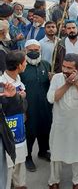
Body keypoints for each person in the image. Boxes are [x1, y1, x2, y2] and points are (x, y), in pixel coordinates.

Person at [47, 53, 78, 189]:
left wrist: (77, 84)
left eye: (69, 68)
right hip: (60, 124)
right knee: (56, 153)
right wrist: (67, 85)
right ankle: (54, 181)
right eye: (64, 66)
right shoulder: (56, 78)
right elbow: (51, 98)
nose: (65, 70)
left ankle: (77, 182)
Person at [21, 40, 52, 172]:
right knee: (30, 132)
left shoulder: (46, 65)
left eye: (36, 50)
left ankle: (43, 151)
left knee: (45, 129)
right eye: (30, 50)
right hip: (29, 107)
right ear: (25, 51)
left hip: (45, 105)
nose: (34, 53)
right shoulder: (21, 68)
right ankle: (27, 157)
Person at [1, 51, 28, 189]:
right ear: (19, 65)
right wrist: (18, 98)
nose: (26, 64)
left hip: (19, 129)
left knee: (20, 160)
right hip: (7, 131)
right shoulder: (2, 84)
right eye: (25, 62)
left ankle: (20, 184)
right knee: (7, 164)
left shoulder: (19, 80)